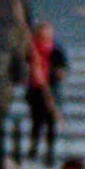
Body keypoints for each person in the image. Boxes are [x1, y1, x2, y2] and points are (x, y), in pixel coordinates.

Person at [24, 20, 69, 160]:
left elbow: (64, 68)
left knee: (51, 123)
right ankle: (33, 148)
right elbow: (23, 66)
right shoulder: (31, 50)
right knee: (36, 122)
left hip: (51, 90)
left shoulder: (57, 50)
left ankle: (50, 152)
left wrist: (57, 73)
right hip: (36, 91)